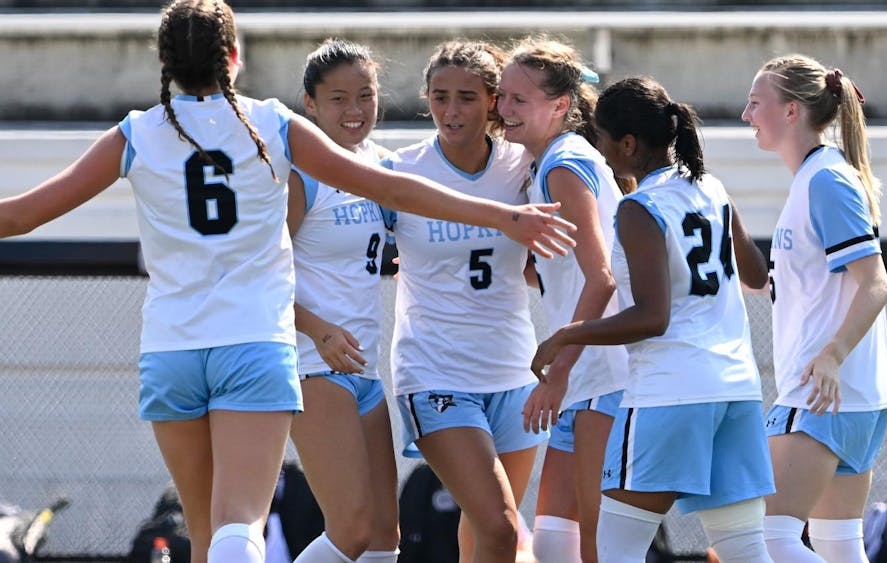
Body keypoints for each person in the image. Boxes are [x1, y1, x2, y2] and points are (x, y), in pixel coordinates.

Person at [0, 2, 575, 561]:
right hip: (260, 345)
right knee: (243, 525)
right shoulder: (270, 122)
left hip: (173, 348)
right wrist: (505, 216)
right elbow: (393, 192)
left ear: (165, 61)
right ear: (234, 57)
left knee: (224, 535)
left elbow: (19, 216)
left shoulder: (135, 134)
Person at [532, 76, 776, 563]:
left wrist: (566, 335)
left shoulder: (639, 207)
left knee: (614, 551)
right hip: (736, 391)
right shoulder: (711, 186)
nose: (597, 150)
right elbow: (755, 272)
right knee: (748, 552)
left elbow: (652, 317)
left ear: (627, 143)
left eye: (600, 138)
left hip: (670, 394)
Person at [384, 41, 545, 563]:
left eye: (467, 98)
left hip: (514, 372)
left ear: (494, 100)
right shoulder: (398, 170)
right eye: (439, 97)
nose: (451, 112)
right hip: (436, 373)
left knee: (485, 534)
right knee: (500, 528)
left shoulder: (524, 166)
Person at [741, 54, 887, 563]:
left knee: (768, 541)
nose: (746, 115)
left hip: (820, 398)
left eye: (756, 103)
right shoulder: (815, 178)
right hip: (845, 398)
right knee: (836, 547)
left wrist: (831, 354)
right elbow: (800, 287)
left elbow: (875, 285)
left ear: (791, 112)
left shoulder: (826, 180)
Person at [495, 37, 629, 563]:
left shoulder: (563, 165)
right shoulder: (544, 163)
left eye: (518, 100)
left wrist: (558, 372)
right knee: (552, 542)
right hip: (586, 382)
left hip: (606, 378)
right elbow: (566, 273)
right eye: (502, 96)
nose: (503, 109)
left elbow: (602, 280)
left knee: (600, 543)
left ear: (561, 107)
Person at [284, 39, 398, 563]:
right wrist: (318, 330)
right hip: (314, 367)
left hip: (365, 368)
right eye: (338, 99)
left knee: (382, 540)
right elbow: (255, 279)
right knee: (349, 531)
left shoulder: (381, 165)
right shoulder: (300, 171)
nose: (354, 112)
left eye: (365, 95)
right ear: (309, 103)